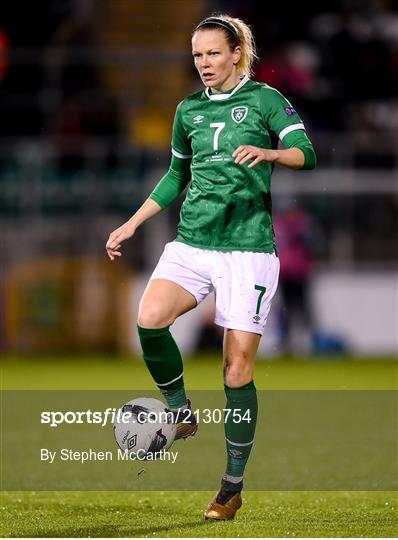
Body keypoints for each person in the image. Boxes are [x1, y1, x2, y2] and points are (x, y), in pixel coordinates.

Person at [106, 14, 316, 521]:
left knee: (236, 370)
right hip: (194, 242)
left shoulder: (266, 101)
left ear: (237, 53)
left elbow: (305, 154)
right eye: (197, 55)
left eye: (213, 53)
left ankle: (231, 487)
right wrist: (132, 223)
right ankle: (180, 413)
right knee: (150, 318)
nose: (204, 63)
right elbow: (177, 173)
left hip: (247, 251)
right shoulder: (188, 110)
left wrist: (268, 151)